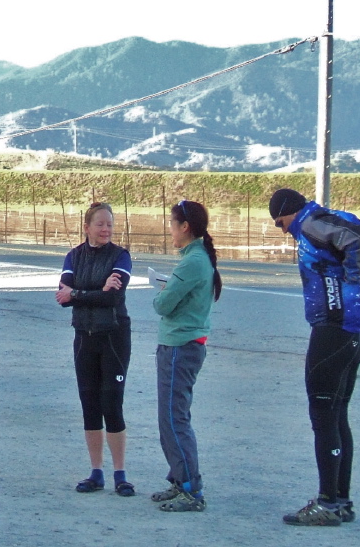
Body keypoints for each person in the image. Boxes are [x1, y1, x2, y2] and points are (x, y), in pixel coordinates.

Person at [269, 188, 360, 527]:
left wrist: (352, 286)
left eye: (279, 222)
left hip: (333, 331)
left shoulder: (311, 223)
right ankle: (341, 500)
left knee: (323, 416)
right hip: (354, 332)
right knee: (337, 415)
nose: (281, 229)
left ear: (288, 212)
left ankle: (327, 502)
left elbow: (354, 242)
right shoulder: (315, 222)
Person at [55, 202, 135, 496]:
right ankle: (96, 471)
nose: (106, 230)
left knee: (112, 404)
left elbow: (112, 299)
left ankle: (120, 474)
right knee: (89, 404)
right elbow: (63, 295)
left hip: (113, 337)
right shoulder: (73, 255)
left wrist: (78, 293)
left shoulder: (121, 256)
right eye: (100, 224)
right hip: (84, 337)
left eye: (110, 225)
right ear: (86, 227)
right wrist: (94, 292)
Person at [149, 200, 221, 513]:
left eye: (172, 223)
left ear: (185, 227)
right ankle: (180, 480)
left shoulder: (193, 262)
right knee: (173, 416)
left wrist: (162, 293)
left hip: (180, 346)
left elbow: (163, 305)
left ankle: (191, 489)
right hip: (182, 343)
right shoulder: (196, 258)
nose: (170, 230)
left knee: (173, 418)